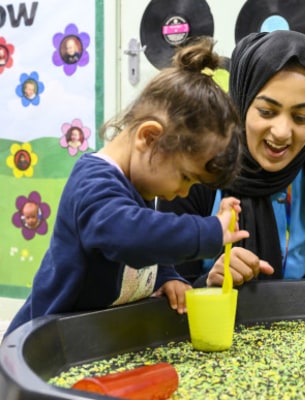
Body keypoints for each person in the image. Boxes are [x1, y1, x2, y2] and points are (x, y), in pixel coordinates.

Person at [4, 37, 247, 338]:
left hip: (93, 338)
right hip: (46, 343)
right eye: (186, 177)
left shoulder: (140, 184)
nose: (185, 192)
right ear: (149, 138)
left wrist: (165, 276)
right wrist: (207, 232)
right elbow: (128, 236)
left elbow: (143, 251)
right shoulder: (93, 183)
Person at [159, 30, 305, 288]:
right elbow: (170, 291)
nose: (282, 132)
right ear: (242, 100)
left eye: (301, 118)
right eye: (266, 111)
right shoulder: (195, 164)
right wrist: (208, 282)